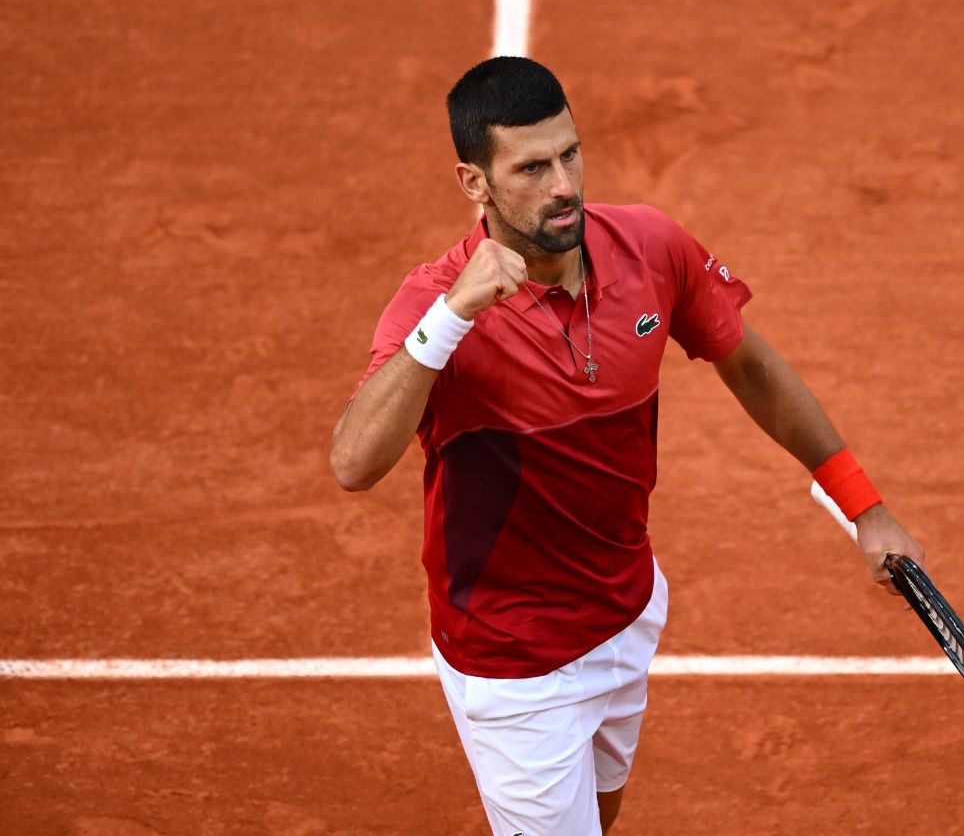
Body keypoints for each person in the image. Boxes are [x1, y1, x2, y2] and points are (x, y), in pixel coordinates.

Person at [329, 57, 925, 836]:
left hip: (627, 611)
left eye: (570, 154)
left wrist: (864, 505)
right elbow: (352, 461)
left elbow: (752, 366)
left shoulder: (649, 246)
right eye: (533, 167)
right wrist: (453, 315)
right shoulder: (434, 306)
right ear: (474, 183)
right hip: (515, 663)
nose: (564, 185)